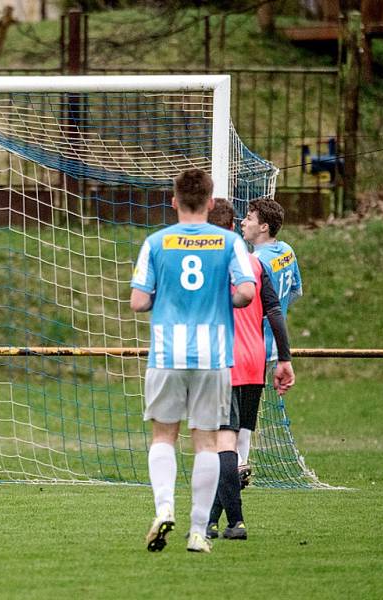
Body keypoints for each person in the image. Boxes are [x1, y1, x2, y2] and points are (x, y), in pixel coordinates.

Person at [131, 169, 256, 554]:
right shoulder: (230, 241)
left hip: (168, 352)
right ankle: (199, 530)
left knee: (163, 436)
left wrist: (162, 299)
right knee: (205, 442)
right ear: (211, 202)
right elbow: (247, 292)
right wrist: (223, 300)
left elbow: (138, 301)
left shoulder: (156, 242)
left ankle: (164, 506)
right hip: (213, 354)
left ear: (173, 201)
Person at [206, 198, 295, 540]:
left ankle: (235, 522)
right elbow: (274, 312)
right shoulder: (256, 265)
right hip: (255, 361)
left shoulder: (209, 264)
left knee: (223, 446)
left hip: (223, 362)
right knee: (236, 446)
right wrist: (284, 359)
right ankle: (213, 522)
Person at [239, 199, 303, 486]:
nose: (243, 222)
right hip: (274, 341)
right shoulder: (286, 251)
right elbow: (295, 292)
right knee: (247, 404)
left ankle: (237, 463)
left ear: (263, 227)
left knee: (236, 405)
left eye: (249, 218)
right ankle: (239, 462)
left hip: (251, 341)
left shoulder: (255, 262)